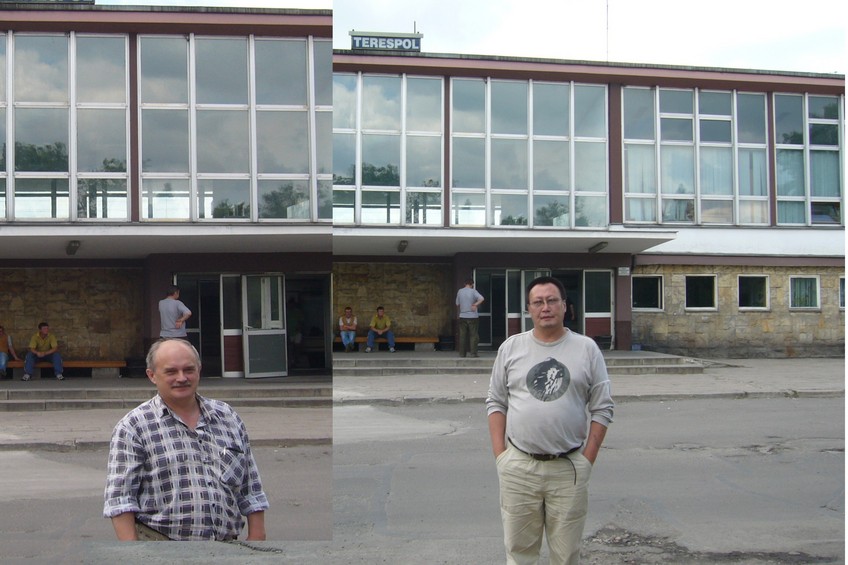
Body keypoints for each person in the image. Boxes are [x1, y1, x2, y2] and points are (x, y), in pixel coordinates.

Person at [486, 276, 614, 565]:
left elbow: (603, 407)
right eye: (538, 302)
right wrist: (501, 457)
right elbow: (496, 401)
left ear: (565, 306)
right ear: (529, 309)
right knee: (519, 554)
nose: (546, 307)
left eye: (552, 300)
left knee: (566, 555)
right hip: (519, 466)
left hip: (568, 467)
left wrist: (587, 460)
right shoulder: (511, 348)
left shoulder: (586, 349)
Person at [104, 338, 269, 541]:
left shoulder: (227, 417)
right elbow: (120, 500)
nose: (182, 378)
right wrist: (134, 555)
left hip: (228, 549)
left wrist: (257, 539)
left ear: (199, 370)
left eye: (189, 370)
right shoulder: (133, 427)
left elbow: (250, 487)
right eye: (171, 371)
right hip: (161, 550)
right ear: (152, 375)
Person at [456, 278, 485, 358]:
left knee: (462, 335)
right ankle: (473, 353)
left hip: (462, 316)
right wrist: (475, 304)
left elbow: (457, 304)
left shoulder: (460, 291)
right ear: (472, 284)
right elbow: (482, 298)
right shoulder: (473, 291)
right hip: (473, 317)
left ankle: (462, 354)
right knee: (473, 335)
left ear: (464, 283)